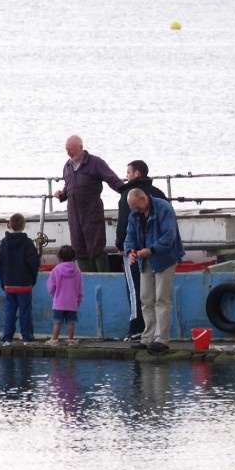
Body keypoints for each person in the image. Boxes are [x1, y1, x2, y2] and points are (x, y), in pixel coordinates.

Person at [124, 188, 185, 355]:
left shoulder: (164, 208)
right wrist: (130, 251)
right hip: (145, 259)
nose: (135, 211)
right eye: (133, 208)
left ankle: (162, 339)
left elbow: (169, 236)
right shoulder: (134, 214)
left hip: (164, 259)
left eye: (137, 207)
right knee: (146, 299)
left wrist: (151, 250)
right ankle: (147, 338)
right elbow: (129, 236)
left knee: (162, 299)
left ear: (144, 199)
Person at [53, 135, 125, 273]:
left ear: (81, 148)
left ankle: (103, 279)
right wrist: (62, 195)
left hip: (92, 212)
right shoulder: (67, 166)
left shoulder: (95, 162)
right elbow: (68, 187)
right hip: (73, 213)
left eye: (72, 149)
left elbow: (112, 179)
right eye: (67, 149)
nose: (69, 152)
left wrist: (125, 192)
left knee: (96, 248)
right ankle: (85, 279)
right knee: (78, 248)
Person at [115, 160, 168, 341]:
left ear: (136, 173)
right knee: (159, 296)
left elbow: (124, 224)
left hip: (139, 252)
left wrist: (123, 246)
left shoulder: (128, 195)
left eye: (128, 172)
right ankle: (157, 334)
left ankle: (137, 327)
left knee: (136, 290)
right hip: (159, 252)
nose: (126, 175)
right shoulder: (159, 194)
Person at [0, 213, 40, 346]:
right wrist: (33, 279)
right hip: (24, 283)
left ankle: (7, 338)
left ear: (9, 225)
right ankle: (27, 338)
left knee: (10, 310)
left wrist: (3, 282)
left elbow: (0, 264)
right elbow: (33, 263)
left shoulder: (4, 242)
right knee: (25, 310)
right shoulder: (27, 243)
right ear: (24, 225)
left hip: (9, 283)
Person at [46, 244, 83, 346]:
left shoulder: (56, 270)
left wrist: (56, 295)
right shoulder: (77, 271)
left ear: (60, 256)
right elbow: (80, 288)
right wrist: (78, 300)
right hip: (72, 302)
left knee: (57, 321)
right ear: (73, 256)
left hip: (59, 301)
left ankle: (54, 340)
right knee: (71, 322)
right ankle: (71, 340)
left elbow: (50, 287)